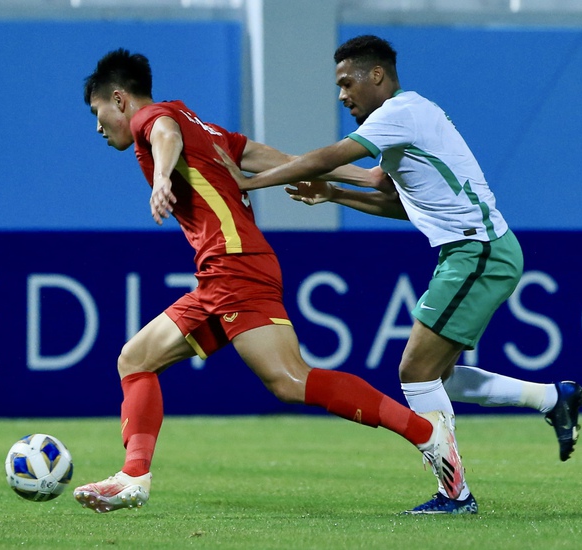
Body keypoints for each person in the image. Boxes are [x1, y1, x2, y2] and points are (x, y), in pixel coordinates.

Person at [73, 48, 464, 514]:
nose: (99, 127)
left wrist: (160, 177)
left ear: (118, 99)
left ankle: (427, 432)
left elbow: (163, 134)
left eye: (97, 113)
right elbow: (274, 157)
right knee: (137, 359)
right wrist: (365, 176)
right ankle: (133, 475)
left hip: (234, 265)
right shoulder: (205, 128)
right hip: (226, 271)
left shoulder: (155, 121)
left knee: (290, 379)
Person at [214, 35, 582, 515]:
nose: (342, 95)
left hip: (478, 251)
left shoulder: (400, 112)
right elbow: (389, 196)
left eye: (347, 83)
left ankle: (455, 494)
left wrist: (254, 180)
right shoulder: (401, 125)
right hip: (476, 252)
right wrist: (332, 195)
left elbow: (332, 156)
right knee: (438, 378)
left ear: (377, 76)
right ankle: (553, 398)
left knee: (415, 372)